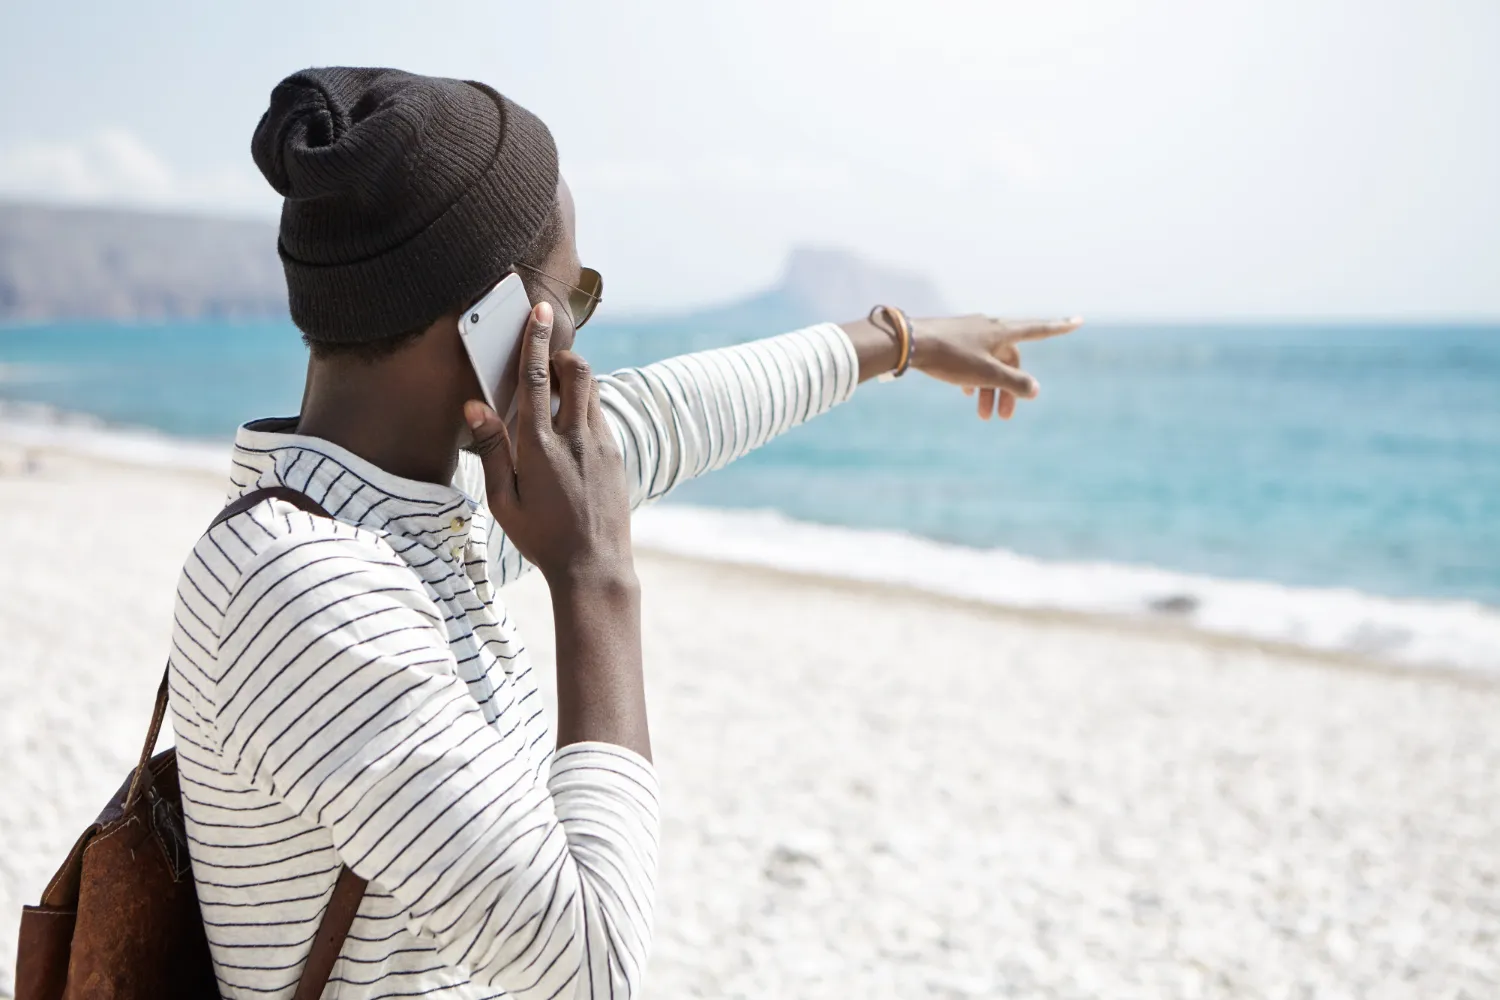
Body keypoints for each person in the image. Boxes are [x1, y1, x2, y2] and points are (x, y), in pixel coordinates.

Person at [167, 66, 1079, 1000]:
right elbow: (595, 971)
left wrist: (901, 340)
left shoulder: (385, 520)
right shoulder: (304, 592)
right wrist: (596, 576)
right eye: (577, 296)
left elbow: (669, 414)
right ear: (491, 323)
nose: (579, 344)